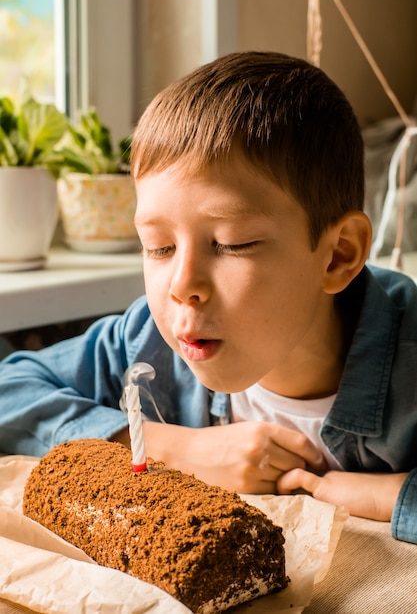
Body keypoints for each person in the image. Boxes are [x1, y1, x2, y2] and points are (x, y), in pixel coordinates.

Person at [1, 51, 416, 544]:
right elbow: (10, 391)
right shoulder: (146, 342)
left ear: (337, 256)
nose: (181, 285)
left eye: (231, 243)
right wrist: (170, 448)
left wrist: (388, 495)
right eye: (159, 247)